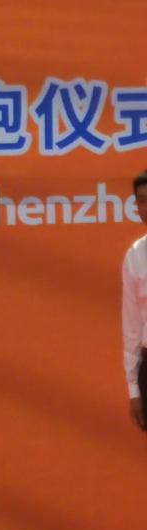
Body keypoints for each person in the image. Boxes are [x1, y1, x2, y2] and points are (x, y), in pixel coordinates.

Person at [123, 170, 147, 432]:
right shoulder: (135, 256)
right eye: (141, 200)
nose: (146, 207)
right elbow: (131, 327)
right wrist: (134, 390)